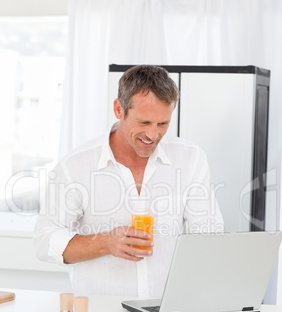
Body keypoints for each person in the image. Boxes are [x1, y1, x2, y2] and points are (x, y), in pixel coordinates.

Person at [34, 65, 224, 297]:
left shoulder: (190, 159)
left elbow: (206, 236)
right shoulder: (75, 167)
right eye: (143, 122)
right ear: (118, 109)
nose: (153, 135)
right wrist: (105, 242)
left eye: (162, 124)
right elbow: (45, 241)